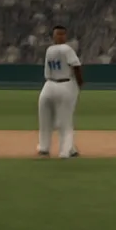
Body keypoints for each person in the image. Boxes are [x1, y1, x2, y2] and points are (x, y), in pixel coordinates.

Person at [37, 24, 84, 159]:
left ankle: (46, 149)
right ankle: (65, 151)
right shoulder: (66, 49)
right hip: (63, 84)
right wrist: (80, 83)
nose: (61, 36)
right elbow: (76, 66)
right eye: (58, 34)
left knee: (46, 120)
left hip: (50, 85)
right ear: (53, 36)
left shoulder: (50, 50)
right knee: (64, 122)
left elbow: (47, 72)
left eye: (63, 34)